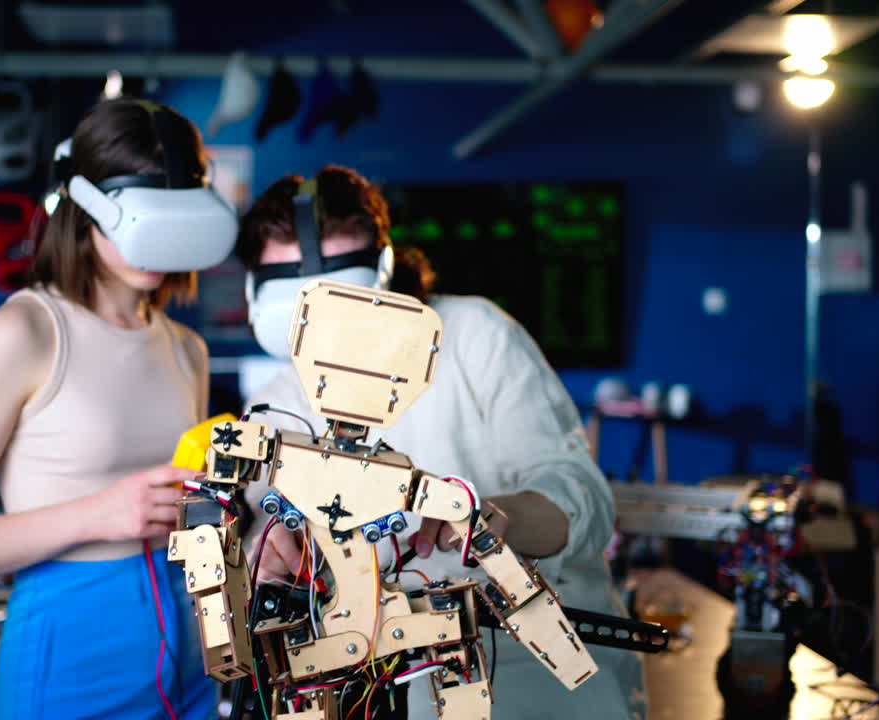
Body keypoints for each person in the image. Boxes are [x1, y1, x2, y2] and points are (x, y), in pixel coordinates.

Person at [235, 165, 646, 720]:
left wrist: (495, 519)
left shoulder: (475, 335)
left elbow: (584, 499)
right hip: (374, 683)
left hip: (530, 677)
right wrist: (269, 543)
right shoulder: (277, 404)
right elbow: (264, 527)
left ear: (383, 272)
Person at [0, 98, 237, 720]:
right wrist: (97, 515)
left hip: (190, 654)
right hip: (71, 658)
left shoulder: (187, 348)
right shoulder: (23, 333)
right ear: (84, 206)